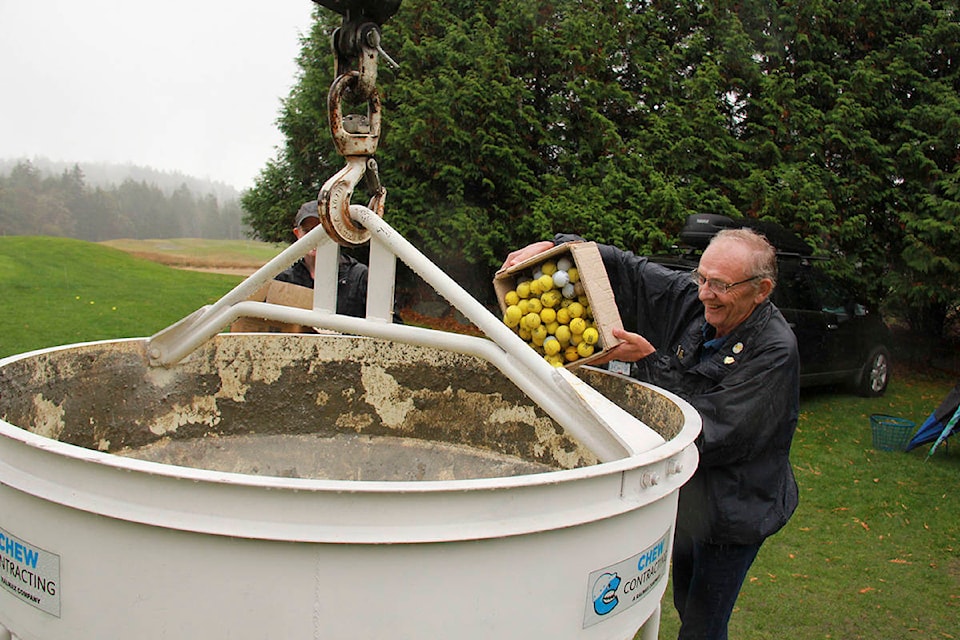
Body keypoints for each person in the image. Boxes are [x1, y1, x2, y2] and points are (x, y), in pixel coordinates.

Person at [502, 228, 800, 640]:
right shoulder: (701, 302)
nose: (705, 294)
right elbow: (630, 271)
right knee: (683, 604)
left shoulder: (775, 352)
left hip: (737, 512)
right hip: (692, 501)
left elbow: (706, 431)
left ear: (761, 289)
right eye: (702, 278)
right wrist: (555, 247)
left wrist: (648, 362)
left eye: (721, 285)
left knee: (703, 625)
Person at [275, 200, 371, 319]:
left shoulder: (360, 277)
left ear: (336, 233)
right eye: (307, 231)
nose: (315, 238)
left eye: (322, 231)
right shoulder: (284, 279)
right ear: (297, 234)